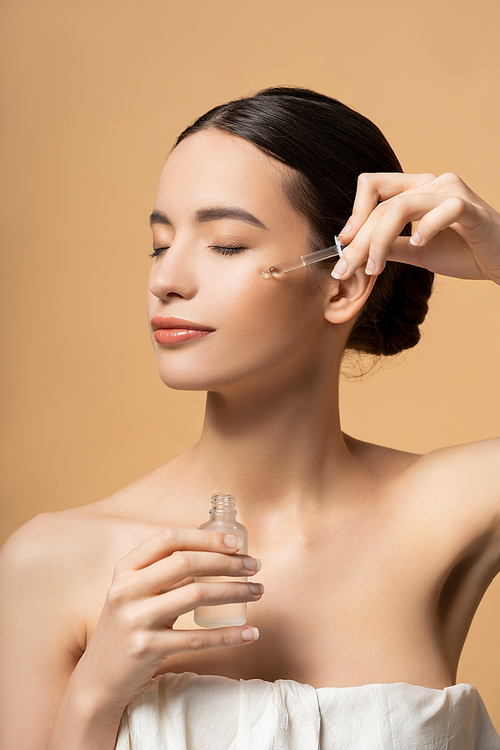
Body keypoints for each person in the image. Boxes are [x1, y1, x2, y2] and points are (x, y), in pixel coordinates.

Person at [1, 86, 500, 750]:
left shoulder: (442, 513)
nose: (167, 279)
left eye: (226, 244)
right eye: (159, 244)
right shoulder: (50, 564)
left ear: (345, 280)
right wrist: (96, 694)